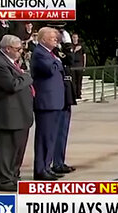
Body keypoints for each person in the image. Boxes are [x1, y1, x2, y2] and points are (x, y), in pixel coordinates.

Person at [0, 34, 34, 191]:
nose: (20, 52)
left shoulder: (12, 62)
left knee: (18, 149)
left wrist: (23, 76)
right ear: (7, 48)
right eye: (17, 49)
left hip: (20, 113)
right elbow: (11, 85)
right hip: (9, 115)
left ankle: (13, 176)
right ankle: (4, 181)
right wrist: (26, 77)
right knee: (7, 151)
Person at [31, 27, 65, 180]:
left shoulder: (50, 54)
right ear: (43, 39)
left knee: (51, 137)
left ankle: (46, 165)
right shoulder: (39, 53)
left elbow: (59, 65)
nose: (55, 40)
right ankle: (40, 169)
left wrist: (57, 62)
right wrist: (57, 62)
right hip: (46, 102)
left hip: (55, 101)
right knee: (44, 137)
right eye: (52, 38)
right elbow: (50, 69)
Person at [51, 24, 77, 174]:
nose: (62, 33)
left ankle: (59, 161)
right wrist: (67, 45)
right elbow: (70, 59)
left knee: (63, 130)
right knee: (57, 130)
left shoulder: (59, 48)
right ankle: (54, 162)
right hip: (58, 93)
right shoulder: (53, 49)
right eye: (59, 31)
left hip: (66, 92)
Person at [72, 33, 86, 98]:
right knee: (73, 80)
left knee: (79, 80)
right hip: (73, 64)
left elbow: (84, 55)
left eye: (76, 37)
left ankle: (79, 93)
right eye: (73, 37)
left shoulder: (81, 46)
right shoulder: (71, 46)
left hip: (79, 64)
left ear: (77, 38)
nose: (74, 39)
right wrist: (75, 50)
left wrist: (84, 66)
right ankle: (74, 94)